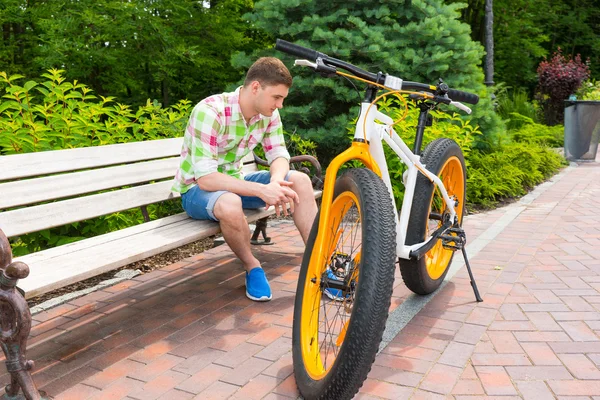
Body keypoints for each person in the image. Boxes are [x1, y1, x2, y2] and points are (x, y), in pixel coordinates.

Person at [172, 57, 318, 302]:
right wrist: (262, 191)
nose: (280, 105)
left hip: (235, 183)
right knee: (229, 203)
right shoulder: (210, 112)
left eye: (283, 99)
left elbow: (279, 154)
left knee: (300, 181)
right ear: (255, 88)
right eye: (276, 97)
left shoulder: (267, 114)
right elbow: (206, 178)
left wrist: (276, 182)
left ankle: (320, 262)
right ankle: (253, 267)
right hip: (196, 190)